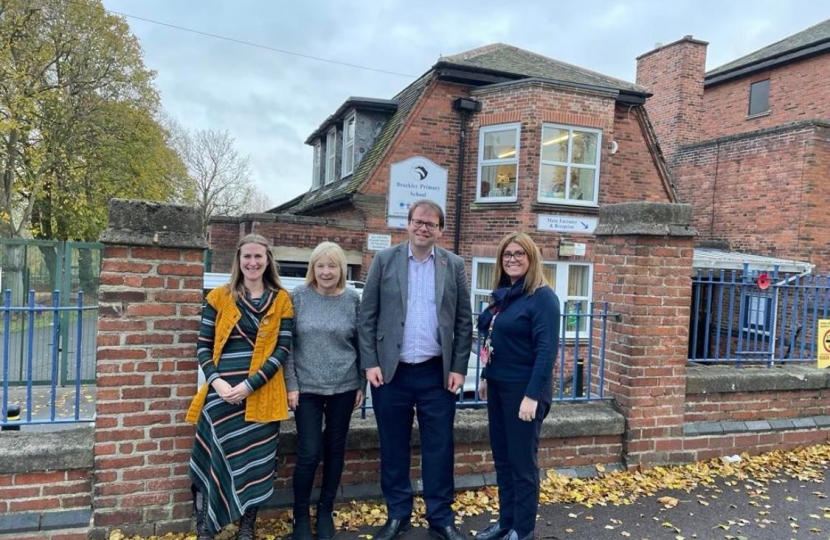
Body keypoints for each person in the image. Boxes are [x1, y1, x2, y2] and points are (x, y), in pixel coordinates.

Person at [359, 199, 473, 540]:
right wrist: (370, 363)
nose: (424, 228)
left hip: (436, 373)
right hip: (391, 373)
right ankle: (398, 514)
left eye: (431, 224)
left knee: (439, 448)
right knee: (393, 447)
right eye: (418, 221)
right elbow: (366, 317)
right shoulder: (385, 260)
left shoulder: (454, 265)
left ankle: (441, 517)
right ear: (407, 224)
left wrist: (458, 367)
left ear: (440, 229)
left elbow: (464, 322)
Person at [186, 234, 294, 540]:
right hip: (221, 393)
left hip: (262, 394)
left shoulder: (282, 300)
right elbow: (203, 347)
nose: (253, 262)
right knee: (210, 456)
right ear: (238, 260)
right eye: (247, 256)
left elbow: (281, 351)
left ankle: (247, 524)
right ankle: (206, 524)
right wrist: (217, 382)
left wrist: (249, 386)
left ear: (268, 260)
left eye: (259, 256)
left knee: (256, 463)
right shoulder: (219, 297)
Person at [475, 233, 560, 540]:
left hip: (524, 393)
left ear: (531, 258)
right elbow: (494, 340)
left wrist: (531, 396)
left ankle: (522, 530)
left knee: (522, 464)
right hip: (498, 388)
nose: (512, 259)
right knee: (503, 459)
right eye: (507, 254)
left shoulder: (542, 297)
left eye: (518, 254)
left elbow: (546, 351)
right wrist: (486, 375)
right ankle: (505, 522)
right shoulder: (505, 295)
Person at [284, 242, 365, 540]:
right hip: (307, 389)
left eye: (332, 266)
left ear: (342, 268)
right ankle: (301, 515)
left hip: (344, 386)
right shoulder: (299, 297)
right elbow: (288, 345)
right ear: (312, 268)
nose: (326, 271)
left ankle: (325, 509)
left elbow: (361, 344)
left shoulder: (352, 300)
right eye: (320, 265)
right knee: (308, 453)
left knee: (335, 450)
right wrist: (291, 385)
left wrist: (361, 383)